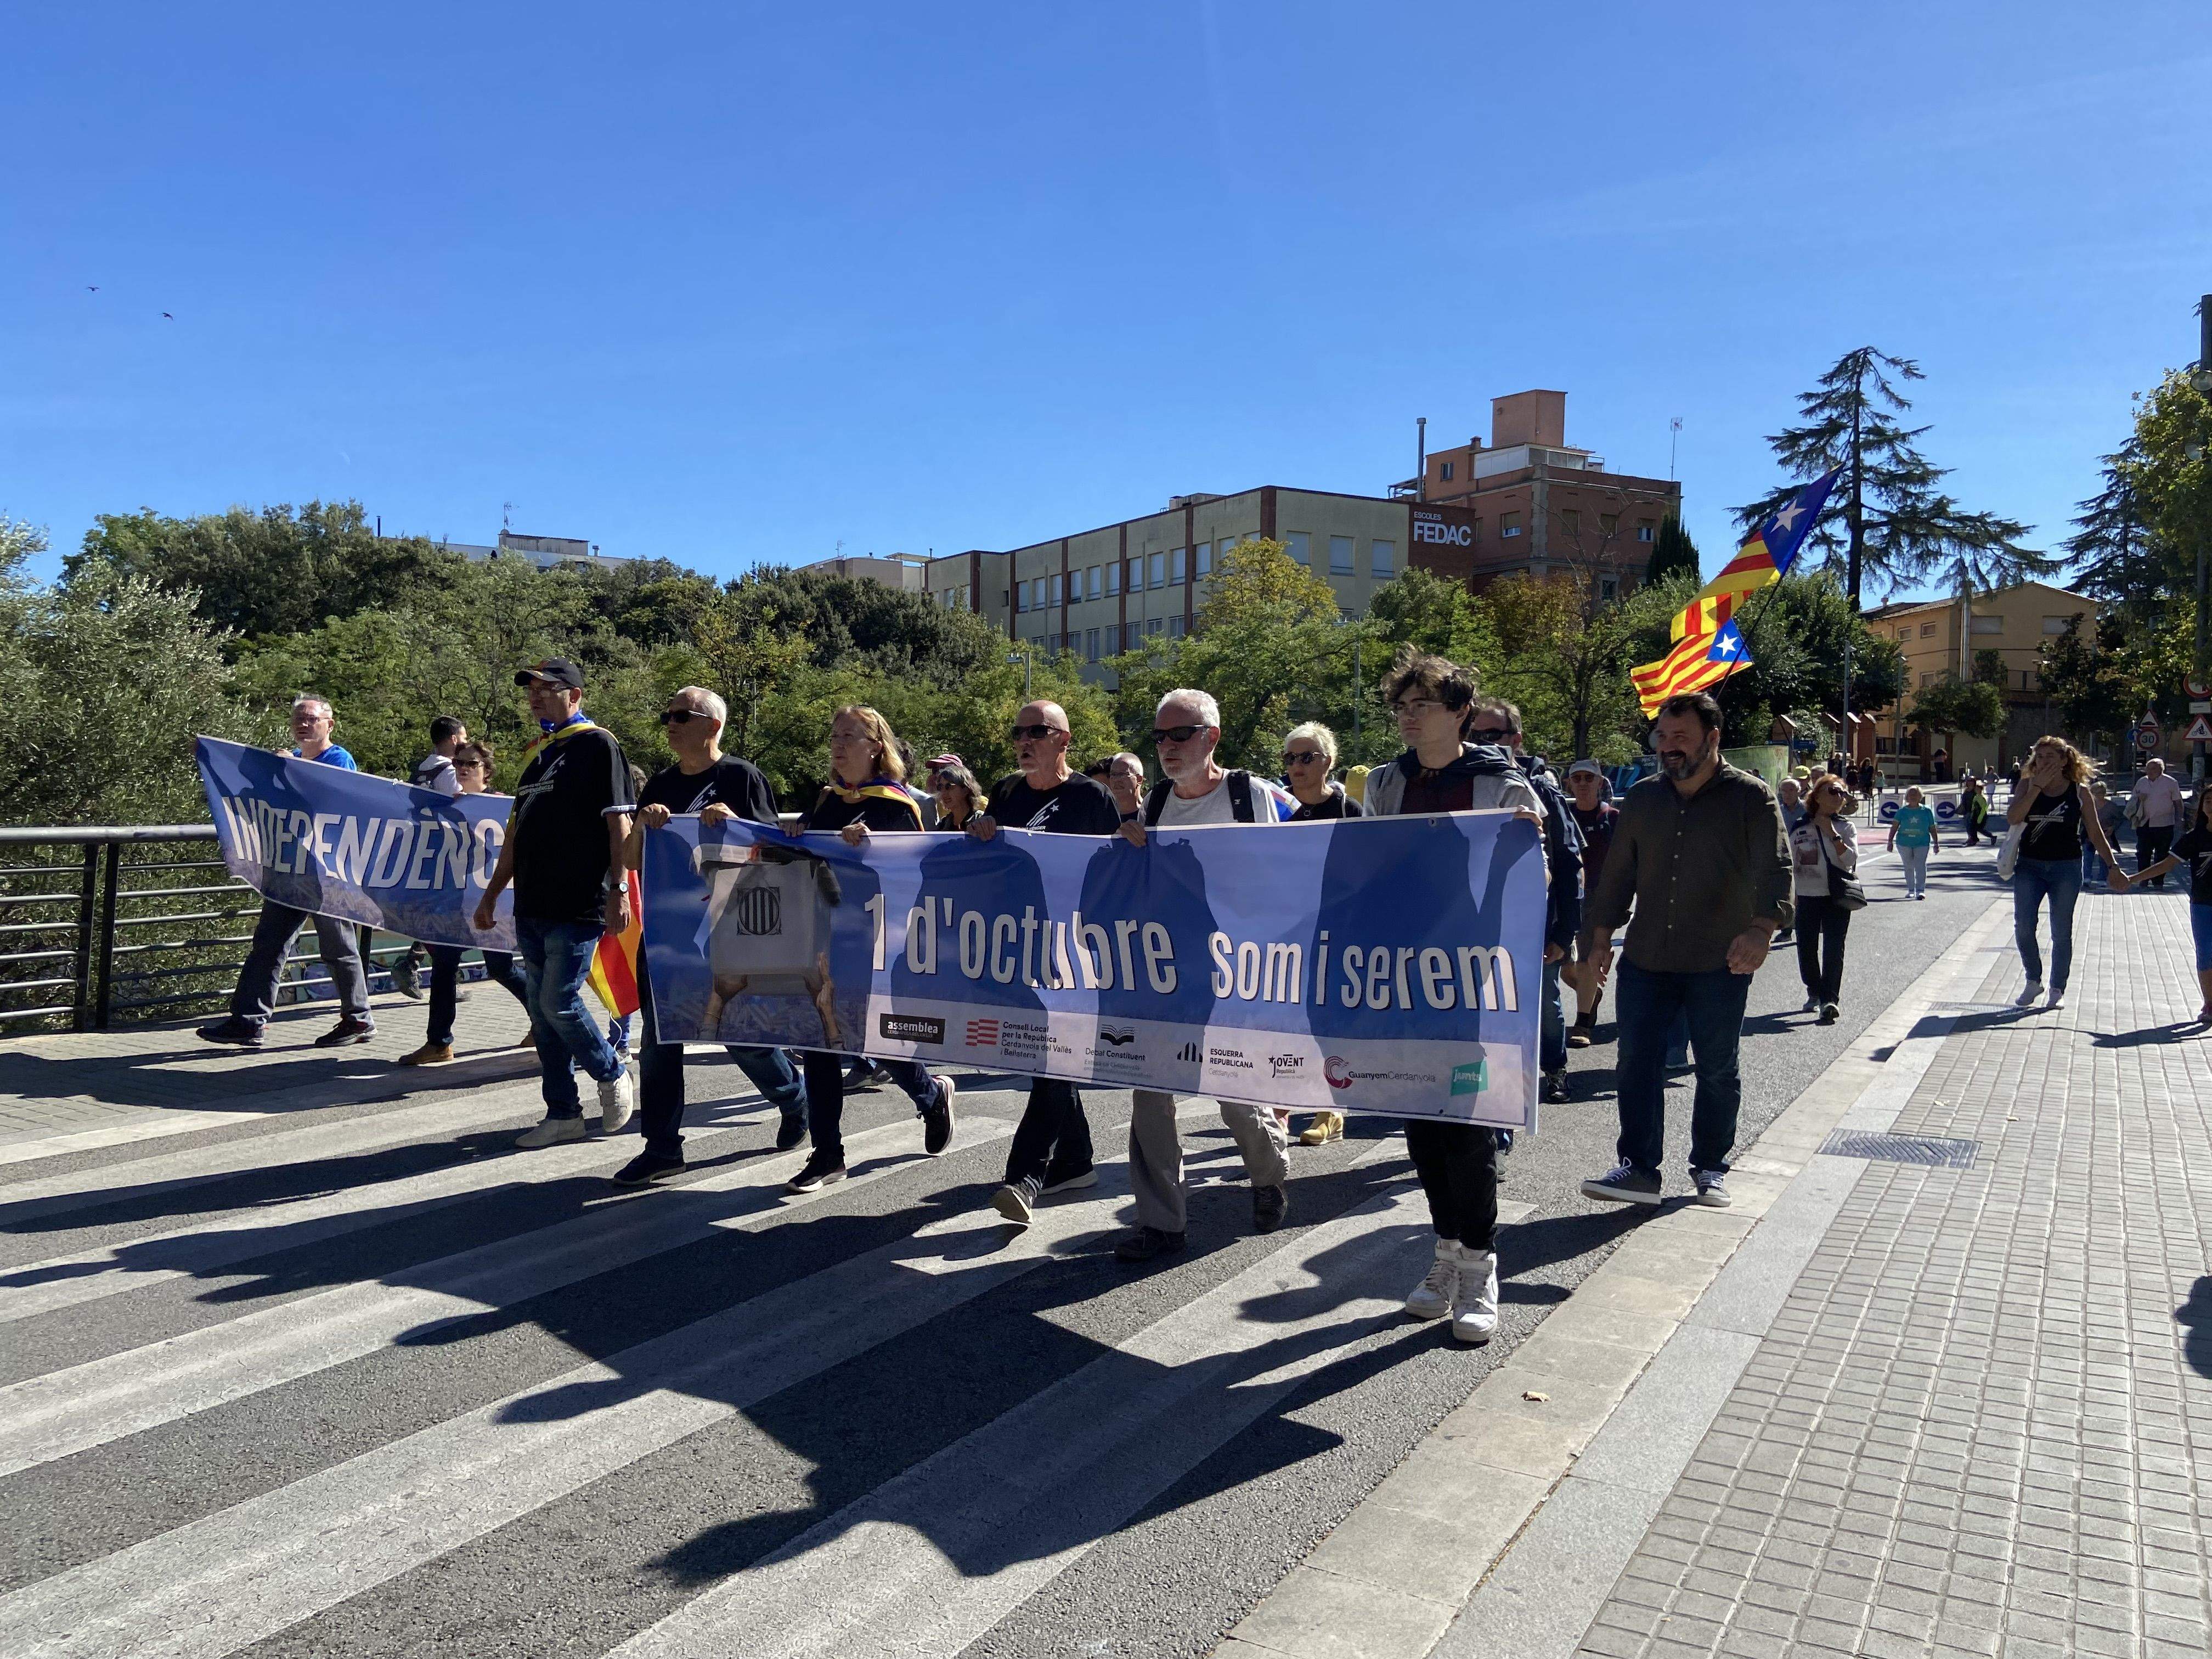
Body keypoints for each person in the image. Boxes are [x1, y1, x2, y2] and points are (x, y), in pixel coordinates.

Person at [1362, 652, 1542, 1344]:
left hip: (1475, 979)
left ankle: (1480, 1266)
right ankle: (1443, 1255)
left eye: (1423, 706)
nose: (1408, 717)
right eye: (1402, 706)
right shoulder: (1383, 782)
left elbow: (1534, 875)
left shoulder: (1501, 784)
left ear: (1461, 711)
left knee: (1468, 1125)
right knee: (1422, 1121)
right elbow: (1366, 868)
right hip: (1405, 975)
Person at [1097, 690, 1295, 1260]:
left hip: (1234, 972)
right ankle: (1162, 1222)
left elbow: (1280, 877)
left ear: (1211, 736)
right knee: (1150, 1096)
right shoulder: (1155, 803)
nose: (1166, 747)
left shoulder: (1246, 794)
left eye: (1179, 735)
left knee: (1236, 1094)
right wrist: (1128, 835)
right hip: (1164, 974)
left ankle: (1269, 1170)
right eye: (1159, 737)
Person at [1577, 692, 1792, 1210]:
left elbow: (1777, 870)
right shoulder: (1644, 800)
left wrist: (1762, 930)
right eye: (1662, 738)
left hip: (1720, 961)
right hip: (1648, 958)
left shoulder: (1752, 797)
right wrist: (1597, 942)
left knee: (1717, 1067)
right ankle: (1639, 1170)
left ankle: (1711, 1167)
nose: (1669, 749)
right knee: (1636, 1064)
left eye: (1681, 739)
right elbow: (1616, 878)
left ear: (1712, 739)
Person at [612, 687, 816, 1186]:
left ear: (712, 726)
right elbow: (634, 858)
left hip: (729, 931)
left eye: (682, 715)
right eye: (668, 715)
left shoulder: (740, 777)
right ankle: (662, 1147)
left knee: (741, 1035)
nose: (671, 723)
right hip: (666, 937)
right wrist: (642, 823)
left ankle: (796, 1100)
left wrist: (736, 823)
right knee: (660, 1042)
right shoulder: (659, 783)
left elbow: (772, 851)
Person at [961, 701, 1130, 1226]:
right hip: (1021, 949)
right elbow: (984, 859)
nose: (1024, 740)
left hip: (1077, 953)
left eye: (1037, 731)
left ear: (1064, 740)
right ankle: (1076, 1161)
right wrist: (980, 829)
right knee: (1045, 1058)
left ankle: (1024, 1175)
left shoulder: (1091, 797)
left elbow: (1115, 870)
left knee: (1056, 1057)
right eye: (1018, 732)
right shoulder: (1008, 792)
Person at [782, 705, 956, 1192]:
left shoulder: (896, 806)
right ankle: (828, 1154)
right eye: (834, 735)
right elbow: (805, 860)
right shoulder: (825, 800)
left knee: (871, 1036)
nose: (837, 744)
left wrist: (873, 847)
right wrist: (796, 833)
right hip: (821, 934)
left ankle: (930, 1095)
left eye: (849, 736)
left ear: (876, 745)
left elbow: (916, 876)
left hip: (877, 940)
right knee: (819, 1039)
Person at [471, 658, 637, 1147]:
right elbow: (515, 839)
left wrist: (619, 888)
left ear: (575, 695)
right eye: (532, 690)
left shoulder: (597, 745)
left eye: (547, 689)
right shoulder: (538, 756)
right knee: (542, 1016)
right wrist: (491, 895)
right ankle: (562, 1111)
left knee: (557, 1002)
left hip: (579, 900)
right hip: (534, 904)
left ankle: (610, 1071)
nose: (536, 697)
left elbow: (618, 825)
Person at [196, 695, 379, 1051]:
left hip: (328, 873)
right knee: (268, 945)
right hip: (290, 868)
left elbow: (330, 799)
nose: (303, 724)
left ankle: (358, 1018)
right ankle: (249, 1022)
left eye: (311, 718)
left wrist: (288, 771)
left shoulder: (338, 759)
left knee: (338, 946)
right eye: (298, 718)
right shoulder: (290, 761)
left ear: (330, 724)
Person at [1464, 701, 1582, 1108]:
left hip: (1534, 926)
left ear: (1516, 740)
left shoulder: (1541, 787)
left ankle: (1556, 1070)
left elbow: (1567, 863)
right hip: (1475, 925)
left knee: (1544, 1005)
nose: (1482, 744)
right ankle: (1489, 1098)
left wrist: (1564, 932)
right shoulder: (1462, 781)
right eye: (1475, 735)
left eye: (1492, 735)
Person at [397, 740, 531, 1065]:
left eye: (472, 763)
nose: (464, 768)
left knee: (502, 969)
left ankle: (545, 1021)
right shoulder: (447, 805)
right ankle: (439, 1042)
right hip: (453, 903)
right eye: (459, 764)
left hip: (491, 900)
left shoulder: (501, 805)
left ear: (487, 770)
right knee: (443, 967)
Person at [2004, 735, 2125, 1011]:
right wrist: (2035, 787)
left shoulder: (2079, 792)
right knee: (2024, 927)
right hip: (2030, 865)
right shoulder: (2027, 785)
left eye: (2050, 757)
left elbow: (2094, 833)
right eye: (2040, 757)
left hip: (2066, 868)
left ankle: (2057, 986)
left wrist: (2112, 867)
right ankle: (2033, 980)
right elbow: (2013, 818)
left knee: (2061, 931)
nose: (2044, 761)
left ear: (2063, 761)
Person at [389, 715, 472, 1000]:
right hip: (447, 851)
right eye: (463, 737)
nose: (466, 743)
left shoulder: (422, 768)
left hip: (424, 848)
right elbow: (461, 805)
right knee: (449, 914)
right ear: (452, 739)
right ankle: (438, 975)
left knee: (437, 913)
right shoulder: (448, 771)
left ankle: (424, 969)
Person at [2115, 785, 2212, 1023]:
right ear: (2202, 807)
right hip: (2202, 904)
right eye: (2208, 800)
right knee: (2206, 955)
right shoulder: (2195, 838)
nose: (2211, 804)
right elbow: (2166, 865)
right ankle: (2209, 1003)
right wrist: (2133, 879)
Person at [1790, 773, 1859, 1024]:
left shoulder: (1845, 827)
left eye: (1843, 793)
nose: (1840, 797)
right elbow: (1789, 863)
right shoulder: (1800, 826)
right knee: (1806, 948)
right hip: (1807, 895)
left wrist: (1832, 833)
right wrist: (1790, 896)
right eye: (1833, 791)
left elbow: (1851, 861)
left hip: (1836, 895)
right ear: (1817, 796)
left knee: (1833, 949)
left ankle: (1830, 1000)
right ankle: (1814, 990)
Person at [1564, 759, 1619, 1047]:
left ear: (1600, 782)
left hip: (1600, 897)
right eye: (1578, 778)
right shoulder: (1562, 816)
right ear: (1569, 783)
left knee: (1587, 960)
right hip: (1566, 895)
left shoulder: (1614, 818)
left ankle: (1583, 1023)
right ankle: (1591, 993)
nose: (1583, 783)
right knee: (1564, 966)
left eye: (1589, 778)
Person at [1280, 722, 1362, 820]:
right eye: (1291, 758)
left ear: (1327, 762)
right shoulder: (1274, 803)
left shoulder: (1348, 809)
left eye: (1307, 757)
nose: (1297, 765)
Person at [2131, 758, 2186, 890]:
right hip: (2144, 824)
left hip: (2164, 824)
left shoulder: (2171, 783)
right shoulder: (2142, 782)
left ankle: (2158, 882)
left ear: (2161, 770)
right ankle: (2143, 880)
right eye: (2148, 768)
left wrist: (2180, 819)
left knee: (2162, 854)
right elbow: (2133, 801)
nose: (2149, 771)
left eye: (2153, 769)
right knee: (2143, 853)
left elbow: (2178, 803)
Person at [1889, 784, 1937, 900]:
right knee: (1908, 866)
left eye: (1916, 794)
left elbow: (1932, 828)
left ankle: (1921, 891)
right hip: (1904, 843)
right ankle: (1911, 890)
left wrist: (1936, 843)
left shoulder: (1927, 811)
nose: (1913, 796)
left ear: (1920, 796)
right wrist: (1890, 841)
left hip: (1922, 843)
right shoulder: (1902, 812)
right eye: (1911, 794)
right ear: (1907, 797)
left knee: (1920, 866)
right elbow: (1894, 827)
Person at [928, 759, 984, 833]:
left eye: (949, 787)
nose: (944, 793)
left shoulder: (981, 821)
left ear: (966, 789)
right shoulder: (943, 825)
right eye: (940, 787)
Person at [2085, 781, 2123, 887]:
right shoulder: (2089, 805)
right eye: (2096, 793)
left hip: (2106, 836)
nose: (2098, 795)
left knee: (2104, 858)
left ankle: (2102, 879)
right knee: (2088, 858)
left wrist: (2113, 828)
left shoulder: (2111, 806)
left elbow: (2120, 819)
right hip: (2090, 835)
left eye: (2101, 792)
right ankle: (2086, 878)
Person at [1961, 775, 1990, 847]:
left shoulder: (1975, 790)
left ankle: (1973, 839)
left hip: (1973, 811)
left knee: (1971, 826)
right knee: (1967, 826)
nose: (1970, 783)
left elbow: (1980, 799)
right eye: (1969, 781)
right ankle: (1971, 838)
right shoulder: (1966, 790)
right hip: (1966, 810)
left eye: (1972, 781)